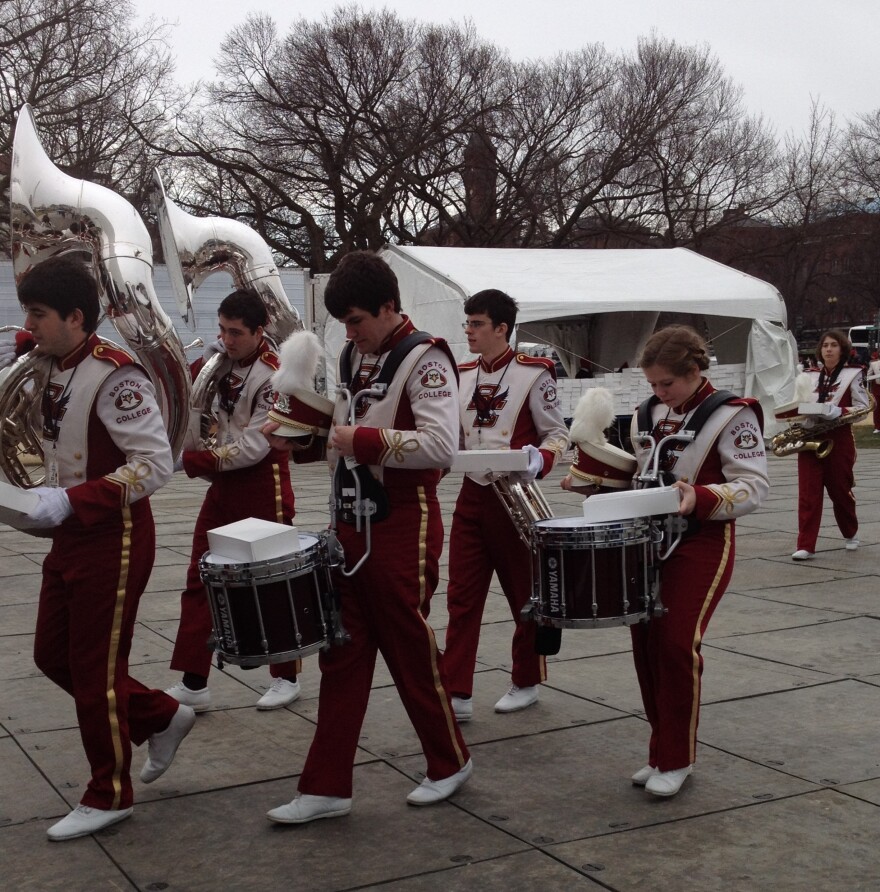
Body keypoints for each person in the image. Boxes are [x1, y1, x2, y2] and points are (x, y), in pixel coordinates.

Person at [264, 250, 471, 824]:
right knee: (342, 654)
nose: (349, 333)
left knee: (409, 650)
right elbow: (342, 429)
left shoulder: (426, 357)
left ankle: (449, 761)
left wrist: (358, 440)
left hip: (404, 520)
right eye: (344, 324)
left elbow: (440, 446)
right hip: (350, 520)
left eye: (356, 320)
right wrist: (300, 441)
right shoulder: (359, 351)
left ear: (388, 307)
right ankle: (326, 785)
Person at [14, 256, 194, 841]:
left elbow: (154, 465)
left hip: (110, 538)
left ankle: (109, 792)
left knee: (95, 671)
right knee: (52, 655)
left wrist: (71, 502)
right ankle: (161, 716)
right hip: (70, 535)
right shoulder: (51, 361)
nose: (30, 325)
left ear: (75, 316)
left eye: (38, 315)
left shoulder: (116, 375)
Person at [562, 325, 769, 798]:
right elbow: (643, 477)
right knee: (646, 647)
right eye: (652, 384)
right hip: (645, 543)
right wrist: (593, 483)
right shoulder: (647, 413)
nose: (658, 393)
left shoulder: (733, 415)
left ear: (695, 372)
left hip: (701, 542)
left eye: (666, 384)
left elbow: (754, 486)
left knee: (676, 645)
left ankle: (677, 758)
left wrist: (697, 496)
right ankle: (660, 748)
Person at [166, 290, 302, 711]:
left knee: (271, 581)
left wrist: (191, 460)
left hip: (263, 485)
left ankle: (286, 675)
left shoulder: (277, 375)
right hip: (223, 486)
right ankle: (193, 681)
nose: (226, 340)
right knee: (201, 577)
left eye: (236, 333)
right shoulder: (219, 362)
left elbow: (253, 448)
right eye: (222, 330)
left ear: (260, 331)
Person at [443, 290, 568, 721]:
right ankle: (456, 688)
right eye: (468, 323)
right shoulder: (458, 373)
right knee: (461, 596)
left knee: (525, 595)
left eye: (477, 324)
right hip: (471, 495)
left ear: (501, 328)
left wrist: (539, 460)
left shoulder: (535, 374)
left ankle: (527, 679)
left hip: (515, 495)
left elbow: (557, 435)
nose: (468, 331)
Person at [785, 329, 869, 560]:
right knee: (808, 493)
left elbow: (863, 409)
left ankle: (850, 532)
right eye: (825, 346)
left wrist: (837, 411)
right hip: (810, 437)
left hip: (839, 438)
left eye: (833, 345)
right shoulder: (808, 376)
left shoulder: (853, 374)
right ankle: (806, 544)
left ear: (842, 349)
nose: (828, 349)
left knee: (840, 491)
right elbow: (797, 405)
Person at [868, 349, 880, 434]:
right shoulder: (874, 364)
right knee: (877, 409)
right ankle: (877, 427)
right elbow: (868, 376)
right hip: (877, 388)